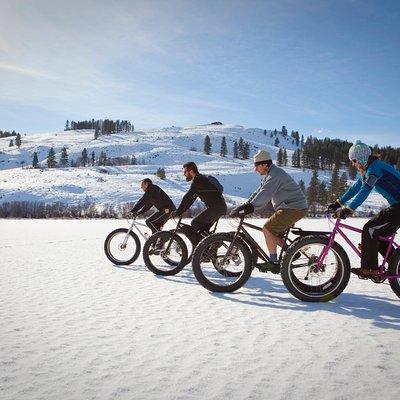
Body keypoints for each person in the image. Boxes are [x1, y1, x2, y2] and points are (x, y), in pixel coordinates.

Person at [328, 140, 400, 279]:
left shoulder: (374, 170)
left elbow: (365, 190)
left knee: (370, 229)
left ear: (361, 159)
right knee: (378, 235)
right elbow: (355, 187)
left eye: (354, 160)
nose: (353, 164)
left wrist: (349, 209)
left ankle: (370, 269)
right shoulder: (369, 169)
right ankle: (394, 265)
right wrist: (339, 202)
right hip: (397, 206)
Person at [230, 150, 308, 273]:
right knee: (273, 233)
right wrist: (245, 206)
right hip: (290, 207)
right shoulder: (270, 174)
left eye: (257, 166)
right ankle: (292, 252)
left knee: (267, 229)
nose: (255, 170)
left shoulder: (274, 175)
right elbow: (258, 192)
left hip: (293, 208)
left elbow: (265, 194)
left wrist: (250, 207)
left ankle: (273, 262)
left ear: (264, 165)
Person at [172, 162, 227, 242]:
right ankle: (206, 252)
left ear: (191, 171)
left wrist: (178, 211)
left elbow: (187, 198)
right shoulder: (201, 180)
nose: (184, 174)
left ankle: (215, 242)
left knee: (195, 223)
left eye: (185, 172)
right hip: (219, 208)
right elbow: (190, 200)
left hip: (216, 208)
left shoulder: (198, 181)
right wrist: (181, 211)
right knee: (203, 229)